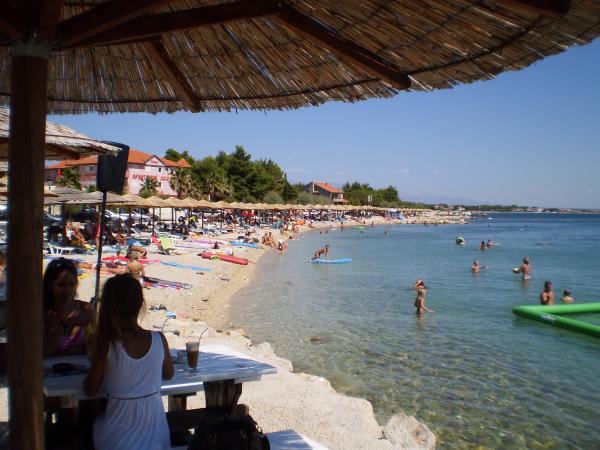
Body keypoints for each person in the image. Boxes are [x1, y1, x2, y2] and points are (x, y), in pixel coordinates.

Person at [84, 275, 174, 450]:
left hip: (118, 440)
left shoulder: (107, 344)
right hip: (157, 440)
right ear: (140, 304)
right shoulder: (159, 339)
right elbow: (169, 373)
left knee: (85, 422)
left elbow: (90, 389)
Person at [43, 258, 96, 357]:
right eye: (60, 285)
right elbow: (40, 352)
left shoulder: (86, 310)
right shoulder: (43, 312)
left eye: (71, 284)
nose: (67, 290)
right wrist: (64, 325)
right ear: (49, 285)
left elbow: (96, 349)